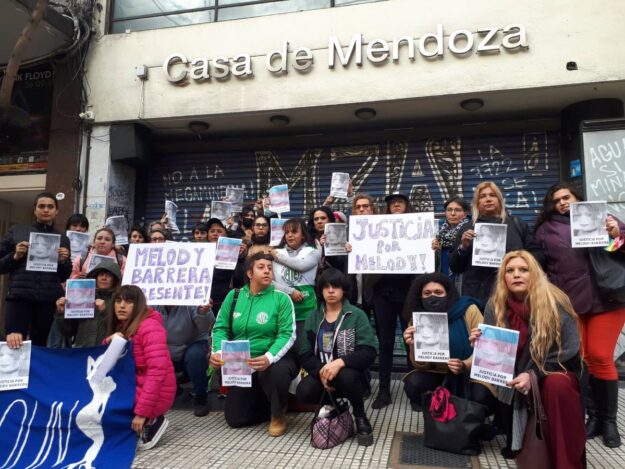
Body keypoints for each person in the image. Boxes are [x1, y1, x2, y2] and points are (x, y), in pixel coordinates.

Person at [530, 182, 625, 447]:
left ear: (576, 197)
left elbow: (620, 246)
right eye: (556, 200)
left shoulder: (604, 217)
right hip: (570, 302)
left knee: (601, 356)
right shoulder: (545, 230)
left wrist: (617, 233)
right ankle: (593, 417)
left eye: (566, 197)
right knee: (582, 359)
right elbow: (540, 265)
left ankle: (609, 421)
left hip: (608, 298)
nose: (562, 202)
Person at [470, 251, 585, 468]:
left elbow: (569, 349)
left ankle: (566, 462)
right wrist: (481, 345)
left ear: (535, 274)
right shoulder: (495, 305)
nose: (516, 275)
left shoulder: (556, 301)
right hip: (513, 380)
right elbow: (496, 359)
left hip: (555, 370)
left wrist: (533, 374)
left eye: (524, 270)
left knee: (556, 385)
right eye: (510, 271)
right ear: (503, 277)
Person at [209, 253, 298, 436]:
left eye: (269, 268)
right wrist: (217, 351)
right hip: (241, 362)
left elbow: (287, 334)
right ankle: (272, 403)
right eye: (261, 267)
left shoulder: (281, 298)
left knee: (277, 372)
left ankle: (277, 414)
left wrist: (268, 357)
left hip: (273, 358)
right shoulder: (234, 296)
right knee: (236, 420)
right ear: (249, 273)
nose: (267, 271)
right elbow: (220, 327)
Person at [297, 268, 378, 446]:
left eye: (336, 287)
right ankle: (332, 406)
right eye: (326, 287)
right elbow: (304, 353)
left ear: (344, 290)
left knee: (347, 377)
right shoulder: (313, 317)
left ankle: (360, 415)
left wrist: (340, 362)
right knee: (303, 391)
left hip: (351, 375)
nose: (331, 291)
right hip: (323, 374)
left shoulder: (356, 315)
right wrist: (321, 371)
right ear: (320, 291)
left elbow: (369, 352)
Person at [401, 273, 495, 414]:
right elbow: (420, 366)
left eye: (438, 292)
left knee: (481, 395)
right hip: (438, 373)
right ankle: (436, 416)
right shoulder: (418, 318)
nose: (432, 296)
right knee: (413, 384)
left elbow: (485, 348)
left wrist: (464, 365)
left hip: (469, 374)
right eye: (427, 293)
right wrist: (413, 345)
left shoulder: (468, 309)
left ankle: (471, 419)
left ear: (448, 294)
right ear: (420, 296)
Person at [105, 285, 176, 450]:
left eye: (129, 301)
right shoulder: (121, 326)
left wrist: (142, 413)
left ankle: (152, 420)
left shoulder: (150, 328)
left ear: (138, 305)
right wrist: (109, 341)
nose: (122, 306)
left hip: (156, 391)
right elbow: (107, 362)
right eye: (118, 301)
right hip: (133, 383)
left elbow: (157, 372)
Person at [0, 192, 72, 346]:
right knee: (14, 344)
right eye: (41, 206)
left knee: (41, 346)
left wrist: (63, 261)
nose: (46, 210)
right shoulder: (17, 231)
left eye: (50, 207)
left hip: (48, 301)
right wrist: (15, 256)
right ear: (35, 210)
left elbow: (64, 275)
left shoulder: (63, 238)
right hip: (19, 298)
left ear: (56, 211)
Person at [366, 192, 416, 409]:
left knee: (411, 342)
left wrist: (432, 247)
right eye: (392, 203)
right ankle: (384, 391)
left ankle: (413, 391)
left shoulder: (417, 228)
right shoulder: (375, 229)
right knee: (385, 344)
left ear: (406, 205)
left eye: (400, 202)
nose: (395, 205)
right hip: (383, 293)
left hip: (409, 294)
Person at [449, 181, 531, 304]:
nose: (488, 199)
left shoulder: (517, 225)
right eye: (482, 196)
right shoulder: (467, 228)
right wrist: (463, 247)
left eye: (492, 195)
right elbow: (455, 267)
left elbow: (536, 256)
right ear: (477, 203)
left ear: (499, 200)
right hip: (476, 297)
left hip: (512, 295)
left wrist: (521, 263)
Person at [153, 302, 214, 417]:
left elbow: (207, 327)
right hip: (164, 346)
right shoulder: (152, 304)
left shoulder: (193, 302)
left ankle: (201, 396)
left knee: (195, 356)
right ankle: (173, 388)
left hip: (193, 344)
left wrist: (203, 314)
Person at [269, 218, 321, 341]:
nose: (290, 235)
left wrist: (278, 257)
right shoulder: (275, 253)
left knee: (305, 346)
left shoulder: (313, 252)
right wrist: (289, 291)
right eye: (287, 232)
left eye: (294, 231)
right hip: (282, 308)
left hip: (307, 309)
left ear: (303, 235)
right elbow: (268, 282)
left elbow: (301, 266)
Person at [55, 260, 121, 347]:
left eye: (108, 275)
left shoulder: (119, 302)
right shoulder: (82, 298)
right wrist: (60, 314)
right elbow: (68, 332)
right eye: (101, 275)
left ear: (115, 280)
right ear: (95, 278)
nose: (104, 278)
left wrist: (104, 312)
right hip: (83, 351)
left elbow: (120, 332)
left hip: (105, 351)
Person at [432, 197, 470, 291]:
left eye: (457, 210)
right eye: (449, 210)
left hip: (462, 283)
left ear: (465, 214)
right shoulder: (438, 234)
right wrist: (435, 252)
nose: (453, 213)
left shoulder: (470, 233)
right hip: (443, 283)